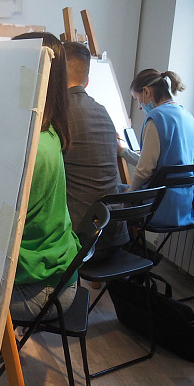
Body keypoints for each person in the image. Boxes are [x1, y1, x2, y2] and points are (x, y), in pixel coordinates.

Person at [9, 32, 81, 321]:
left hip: (42, 289)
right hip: (52, 274)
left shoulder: (33, 147)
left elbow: (0, 230)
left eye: (13, 65)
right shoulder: (46, 129)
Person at [62, 41, 129, 259]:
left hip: (80, 240)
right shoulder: (104, 112)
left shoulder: (60, 114)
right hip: (112, 233)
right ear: (88, 80)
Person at [119, 69, 194, 227]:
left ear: (146, 92)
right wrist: (123, 152)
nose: (140, 107)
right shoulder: (188, 117)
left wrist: (131, 192)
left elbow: (145, 170)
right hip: (183, 207)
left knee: (113, 190)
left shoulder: (156, 118)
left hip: (158, 206)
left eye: (137, 99)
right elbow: (161, 165)